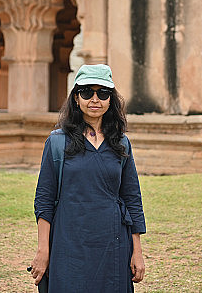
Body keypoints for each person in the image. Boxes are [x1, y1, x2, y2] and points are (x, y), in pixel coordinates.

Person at [31, 64, 146, 292]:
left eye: (103, 93)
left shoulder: (121, 144)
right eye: (87, 93)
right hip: (68, 242)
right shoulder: (57, 143)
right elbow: (44, 200)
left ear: (111, 100)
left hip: (112, 242)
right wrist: (43, 251)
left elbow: (132, 198)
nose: (95, 99)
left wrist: (137, 252)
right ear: (76, 98)